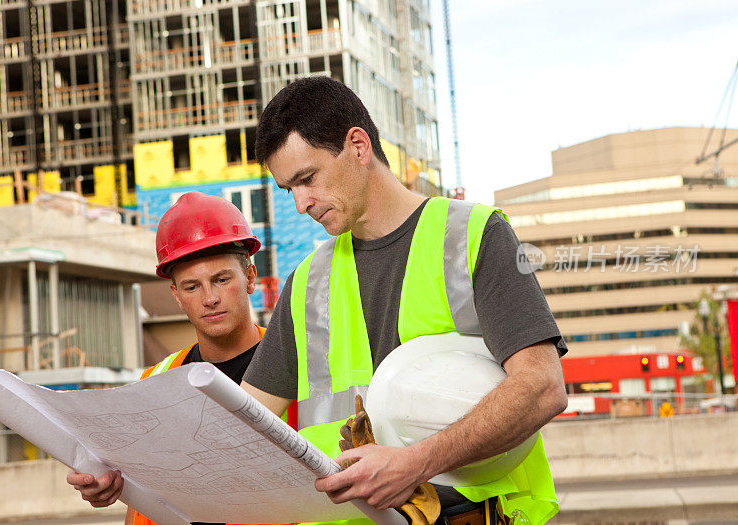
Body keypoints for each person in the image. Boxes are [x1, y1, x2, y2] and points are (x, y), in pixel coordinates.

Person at [235, 76, 569, 525]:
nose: (300, 204)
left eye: (307, 179)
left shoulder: (473, 236)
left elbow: (542, 387)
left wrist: (415, 463)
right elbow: (236, 432)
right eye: (288, 189)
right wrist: (125, 474)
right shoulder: (305, 285)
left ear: (357, 146)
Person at [67, 192, 271, 525]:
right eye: (192, 287)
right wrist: (107, 484)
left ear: (249, 278)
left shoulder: (293, 367)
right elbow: (140, 495)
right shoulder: (154, 382)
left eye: (221, 280)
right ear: (176, 294)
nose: (209, 298)